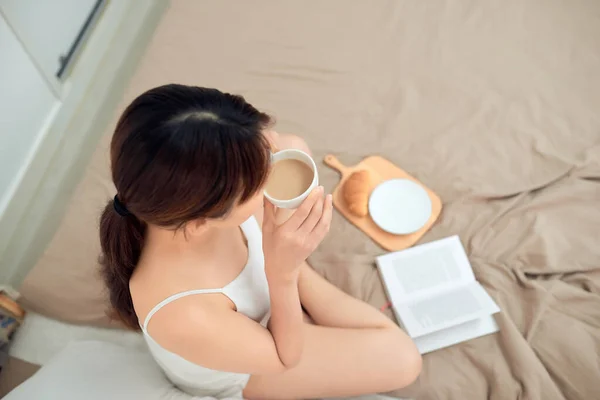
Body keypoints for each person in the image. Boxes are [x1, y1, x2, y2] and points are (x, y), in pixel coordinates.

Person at [99, 84, 421, 399]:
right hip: (254, 365)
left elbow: (285, 145)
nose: (272, 168)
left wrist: (287, 266)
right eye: (258, 178)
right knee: (404, 359)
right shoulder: (182, 312)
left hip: (268, 281)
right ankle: (291, 279)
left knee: (295, 148)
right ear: (201, 222)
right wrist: (283, 273)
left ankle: (293, 279)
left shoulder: (185, 204)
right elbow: (284, 358)